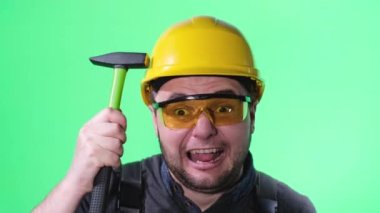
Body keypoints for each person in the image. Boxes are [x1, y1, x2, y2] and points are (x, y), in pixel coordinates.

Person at [33, 16, 316, 213]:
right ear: (155, 120)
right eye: (180, 111)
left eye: (224, 108)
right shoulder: (103, 196)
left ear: (251, 114)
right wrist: (74, 184)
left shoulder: (291, 208)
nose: (204, 129)